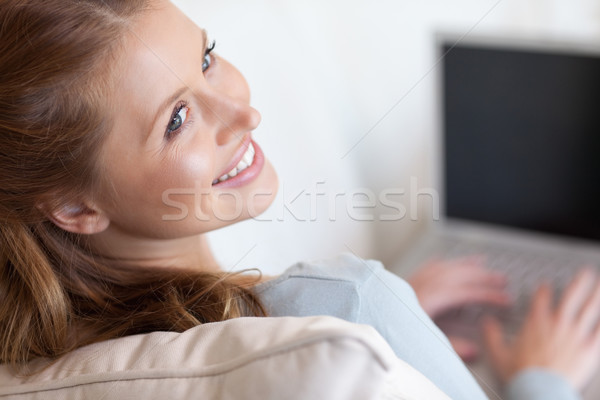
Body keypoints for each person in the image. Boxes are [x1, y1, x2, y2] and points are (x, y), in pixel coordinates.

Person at [1, 1, 599, 399]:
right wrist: (541, 378)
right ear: (76, 210)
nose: (245, 113)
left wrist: (390, 313)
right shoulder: (350, 305)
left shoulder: (36, 366)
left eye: (207, 58)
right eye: (177, 119)